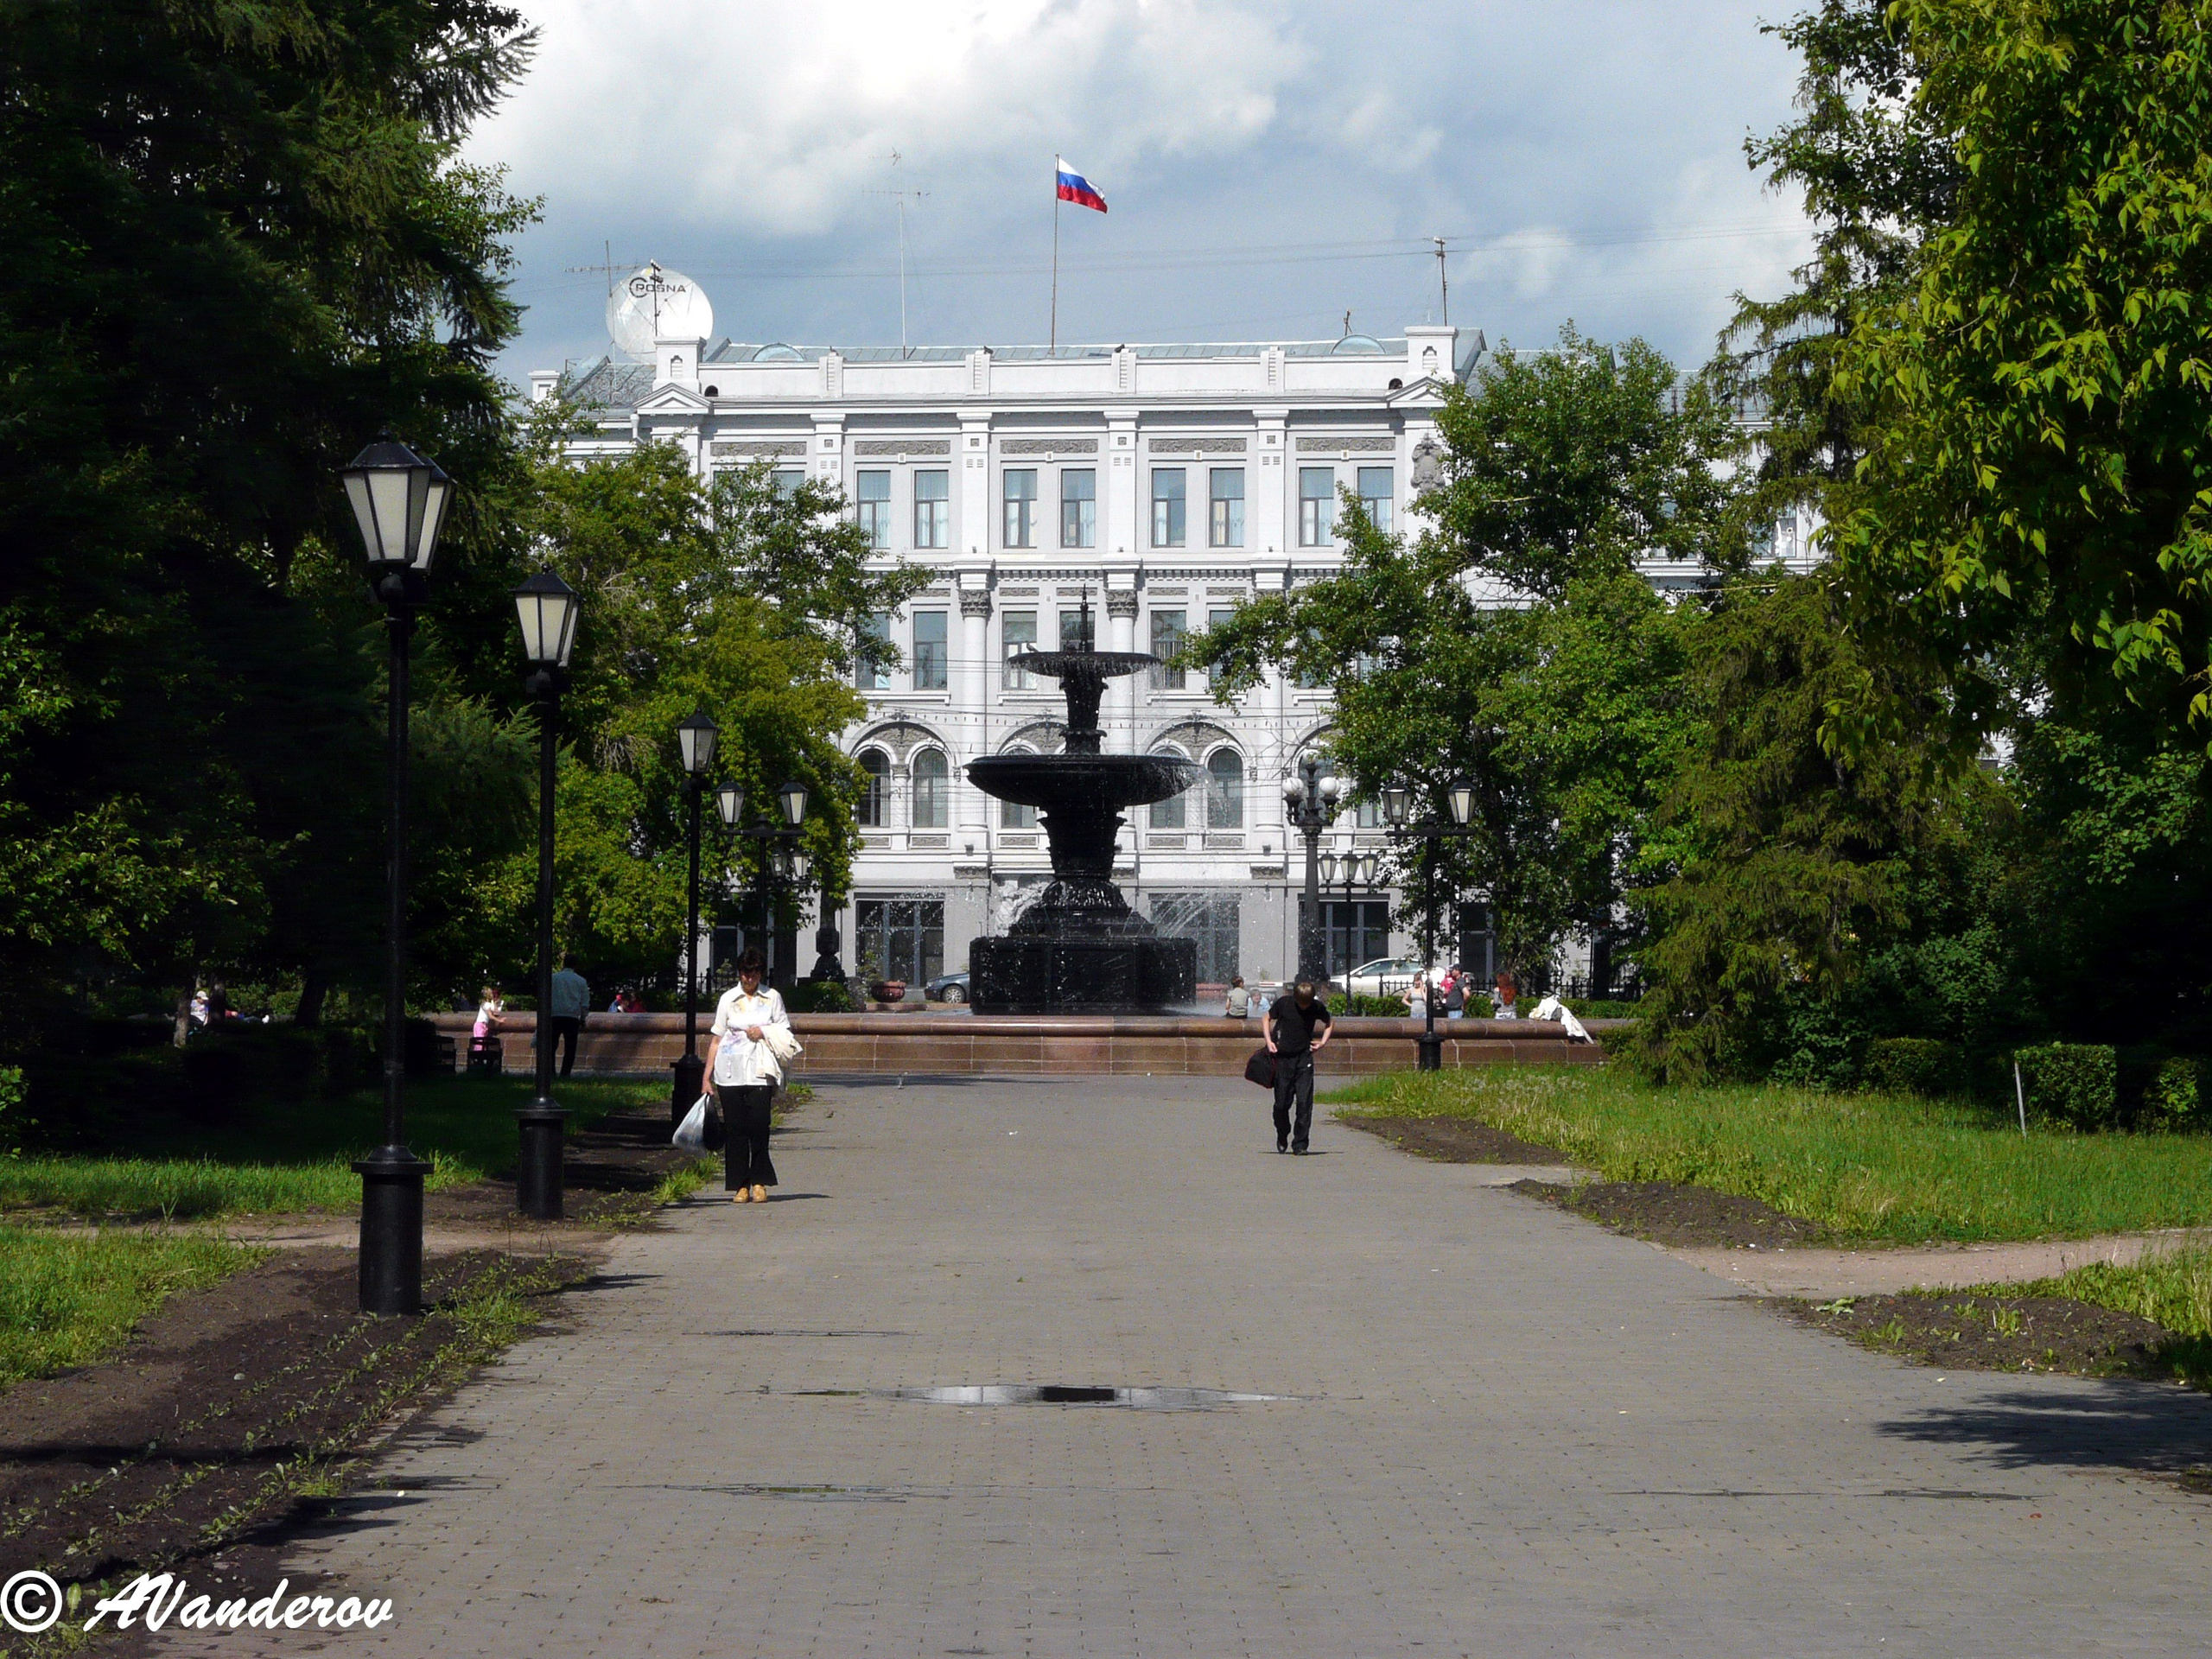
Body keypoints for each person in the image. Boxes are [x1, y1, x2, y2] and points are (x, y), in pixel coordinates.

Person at [710, 948, 790, 1204]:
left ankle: (759, 1181)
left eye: (754, 973)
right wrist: (706, 1077)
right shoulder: (728, 999)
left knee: (759, 1127)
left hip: (760, 1072)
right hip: (729, 1073)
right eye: (745, 973)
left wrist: (763, 1032)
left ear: (761, 973)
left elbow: (784, 1031)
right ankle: (740, 1184)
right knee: (735, 1131)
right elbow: (716, 1038)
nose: (749, 979)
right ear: (739, 973)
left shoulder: (772, 997)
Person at [1263, 978, 1333, 1155]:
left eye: (1307, 1003)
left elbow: (1329, 1022)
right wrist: (1269, 1041)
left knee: (1304, 1103)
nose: (1304, 1007)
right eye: (1301, 1003)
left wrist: (1323, 1042)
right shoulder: (1284, 1004)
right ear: (1295, 998)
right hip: (1283, 1059)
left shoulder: (1316, 1007)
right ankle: (1282, 1133)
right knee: (1281, 1104)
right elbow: (1266, 1018)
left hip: (1304, 1059)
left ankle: (1300, 1144)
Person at [548, 954, 590, 1079]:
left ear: (563, 963)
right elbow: (585, 1003)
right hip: (572, 1017)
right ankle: (565, 1073)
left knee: (551, 1047)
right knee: (570, 1048)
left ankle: (550, 1072)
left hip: (554, 1015)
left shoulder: (553, 978)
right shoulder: (581, 981)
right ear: (575, 965)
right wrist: (583, 1018)